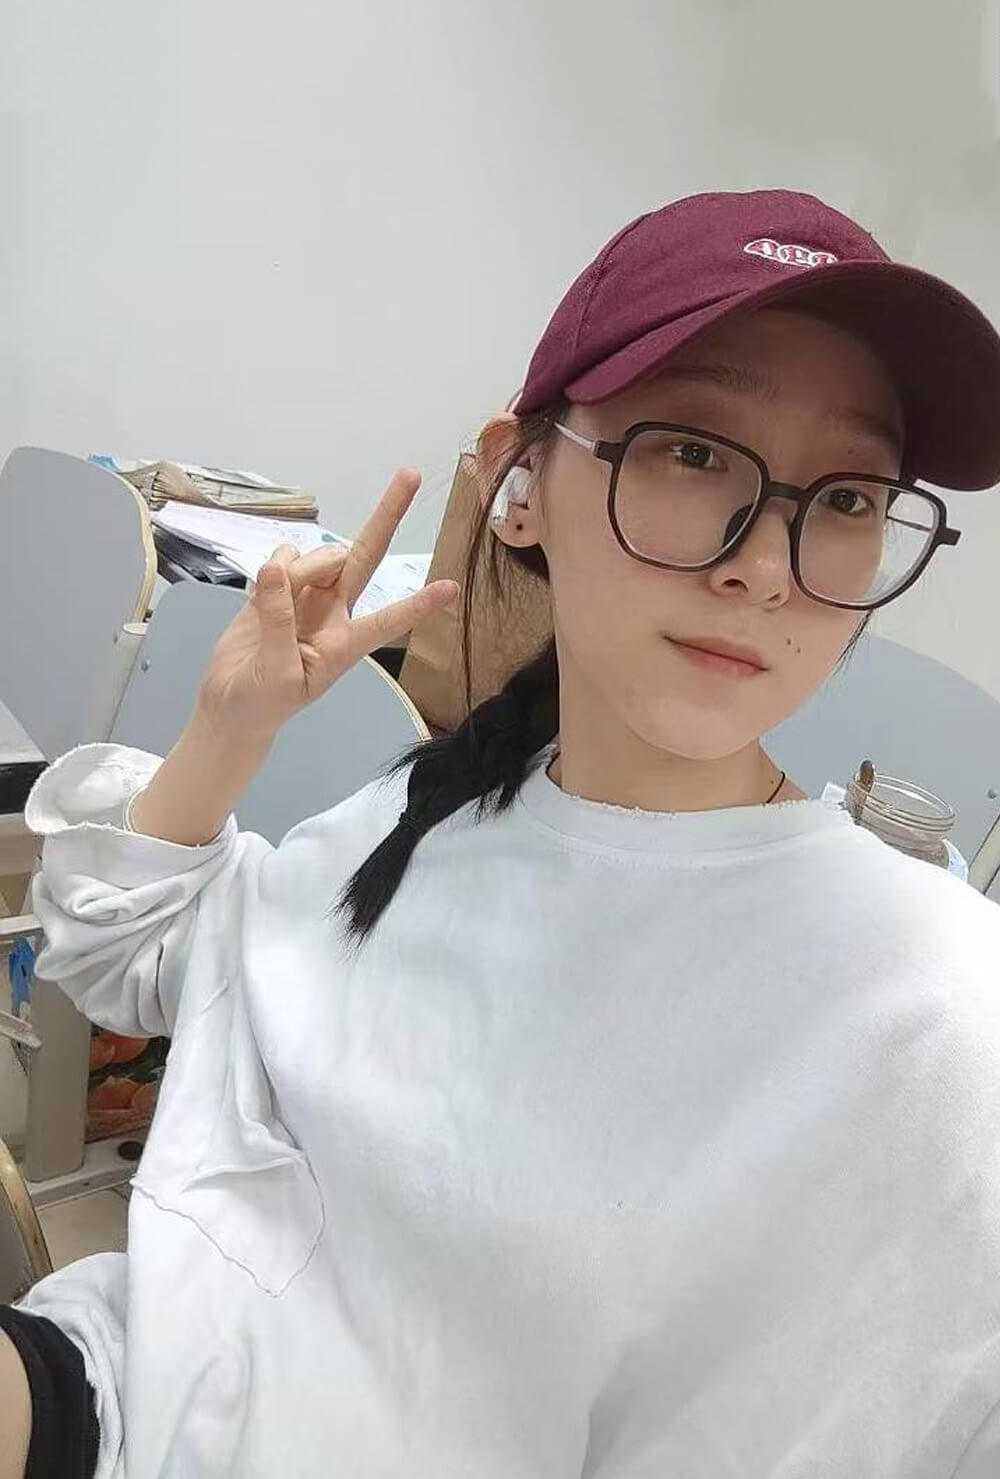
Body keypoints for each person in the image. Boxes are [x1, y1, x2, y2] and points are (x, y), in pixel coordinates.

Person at [3, 188, 1000, 1479]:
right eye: (694, 453)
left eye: (850, 495)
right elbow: (124, 954)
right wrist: (229, 729)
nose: (766, 566)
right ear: (519, 482)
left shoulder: (937, 1009)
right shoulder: (435, 812)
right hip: (133, 1378)